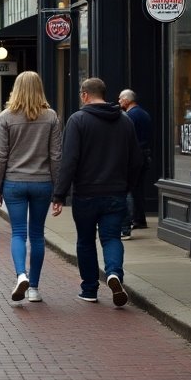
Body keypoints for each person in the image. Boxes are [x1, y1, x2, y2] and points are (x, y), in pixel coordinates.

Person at [52, 78, 143, 307]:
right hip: (116, 192)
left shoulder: (78, 120)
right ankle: (114, 274)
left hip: (85, 193)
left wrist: (59, 195)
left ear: (84, 95)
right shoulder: (124, 121)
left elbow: (69, 160)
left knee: (85, 241)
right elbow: (136, 160)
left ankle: (90, 288)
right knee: (111, 237)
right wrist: (127, 186)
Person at [0, 71, 62, 304]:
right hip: (42, 182)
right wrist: (58, 191)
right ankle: (33, 288)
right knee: (37, 235)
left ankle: (20, 273)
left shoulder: (6, 117)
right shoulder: (51, 116)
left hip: (14, 182)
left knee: (19, 233)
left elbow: (0, 156)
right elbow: (56, 156)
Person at [118, 88, 153, 234]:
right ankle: (140, 218)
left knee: (130, 189)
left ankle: (133, 219)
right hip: (145, 154)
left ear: (127, 100)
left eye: (120, 99)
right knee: (138, 189)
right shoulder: (144, 113)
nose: (119, 101)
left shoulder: (129, 116)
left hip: (135, 156)